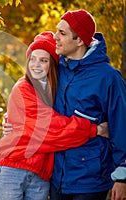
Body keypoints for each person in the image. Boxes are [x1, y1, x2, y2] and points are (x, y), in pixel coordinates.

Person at [0, 31, 108, 200]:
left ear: (52, 65)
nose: (36, 65)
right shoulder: (23, 88)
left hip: (41, 175)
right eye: (32, 59)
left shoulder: (56, 93)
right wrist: (94, 129)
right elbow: (51, 127)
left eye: (43, 60)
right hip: (14, 169)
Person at [48, 9, 126, 200]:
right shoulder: (55, 69)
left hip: (90, 179)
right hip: (56, 176)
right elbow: (31, 100)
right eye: (56, 31)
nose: (55, 37)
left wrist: (122, 177)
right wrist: (13, 120)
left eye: (62, 33)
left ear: (80, 40)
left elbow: (122, 127)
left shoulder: (108, 78)